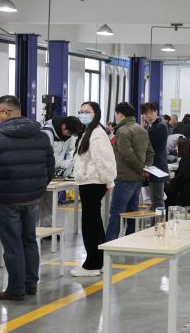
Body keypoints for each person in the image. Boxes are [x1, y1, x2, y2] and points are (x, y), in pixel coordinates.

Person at [0, 95, 55, 300]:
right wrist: (37, 189)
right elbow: (49, 168)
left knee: (12, 245)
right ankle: (30, 284)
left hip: (5, 199)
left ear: (6, 112)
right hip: (32, 198)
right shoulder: (41, 136)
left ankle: (16, 290)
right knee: (29, 241)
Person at [72, 102, 117, 277]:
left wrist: (109, 181)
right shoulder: (88, 131)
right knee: (94, 224)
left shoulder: (96, 133)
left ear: (95, 114)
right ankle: (99, 262)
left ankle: (92, 265)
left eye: (87, 111)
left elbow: (104, 160)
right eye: (81, 111)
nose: (83, 114)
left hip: (93, 183)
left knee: (90, 225)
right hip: (88, 182)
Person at [105, 102, 155, 241]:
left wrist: (141, 168)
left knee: (116, 212)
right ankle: (131, 241)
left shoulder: (122, 131)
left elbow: (128, 156)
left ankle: (109, 244)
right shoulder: (142, 130)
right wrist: (145, 168)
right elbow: (151, 152)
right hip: (138, 178)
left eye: (116, 115)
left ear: (120, 115)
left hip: (124, 179)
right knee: (133, 212)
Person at [37, 115, 79, 228]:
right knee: (37, 203)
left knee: (49, 202)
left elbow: (72, 149)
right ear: (63, 126)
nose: (69, 135)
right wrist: (62, 163)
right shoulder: (47, 132)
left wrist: (71, 162)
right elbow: (45, 155)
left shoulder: (69, 134)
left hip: (52, 173)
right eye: (68, 133)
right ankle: (33, 232)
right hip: (41, 172)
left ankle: (47, 230)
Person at [140, 102, 169, 211]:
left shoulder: (160, 126)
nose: (149, 116)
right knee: (155, 200)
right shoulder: (152, 126)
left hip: (156, 168)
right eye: (145, 114)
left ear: (156, 112)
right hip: (153, 167)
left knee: (157, 201)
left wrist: (142, 128)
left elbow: (145, 143)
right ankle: (157, 221)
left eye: (151, 112)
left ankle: (160, 222)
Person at [164, 138, 190, 209]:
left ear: (181, 147)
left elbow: (182, 176)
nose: (176, 148)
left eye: (177, 146)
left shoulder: (186, 159)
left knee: (163, 187)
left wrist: (171, 182)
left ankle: (165, 209)